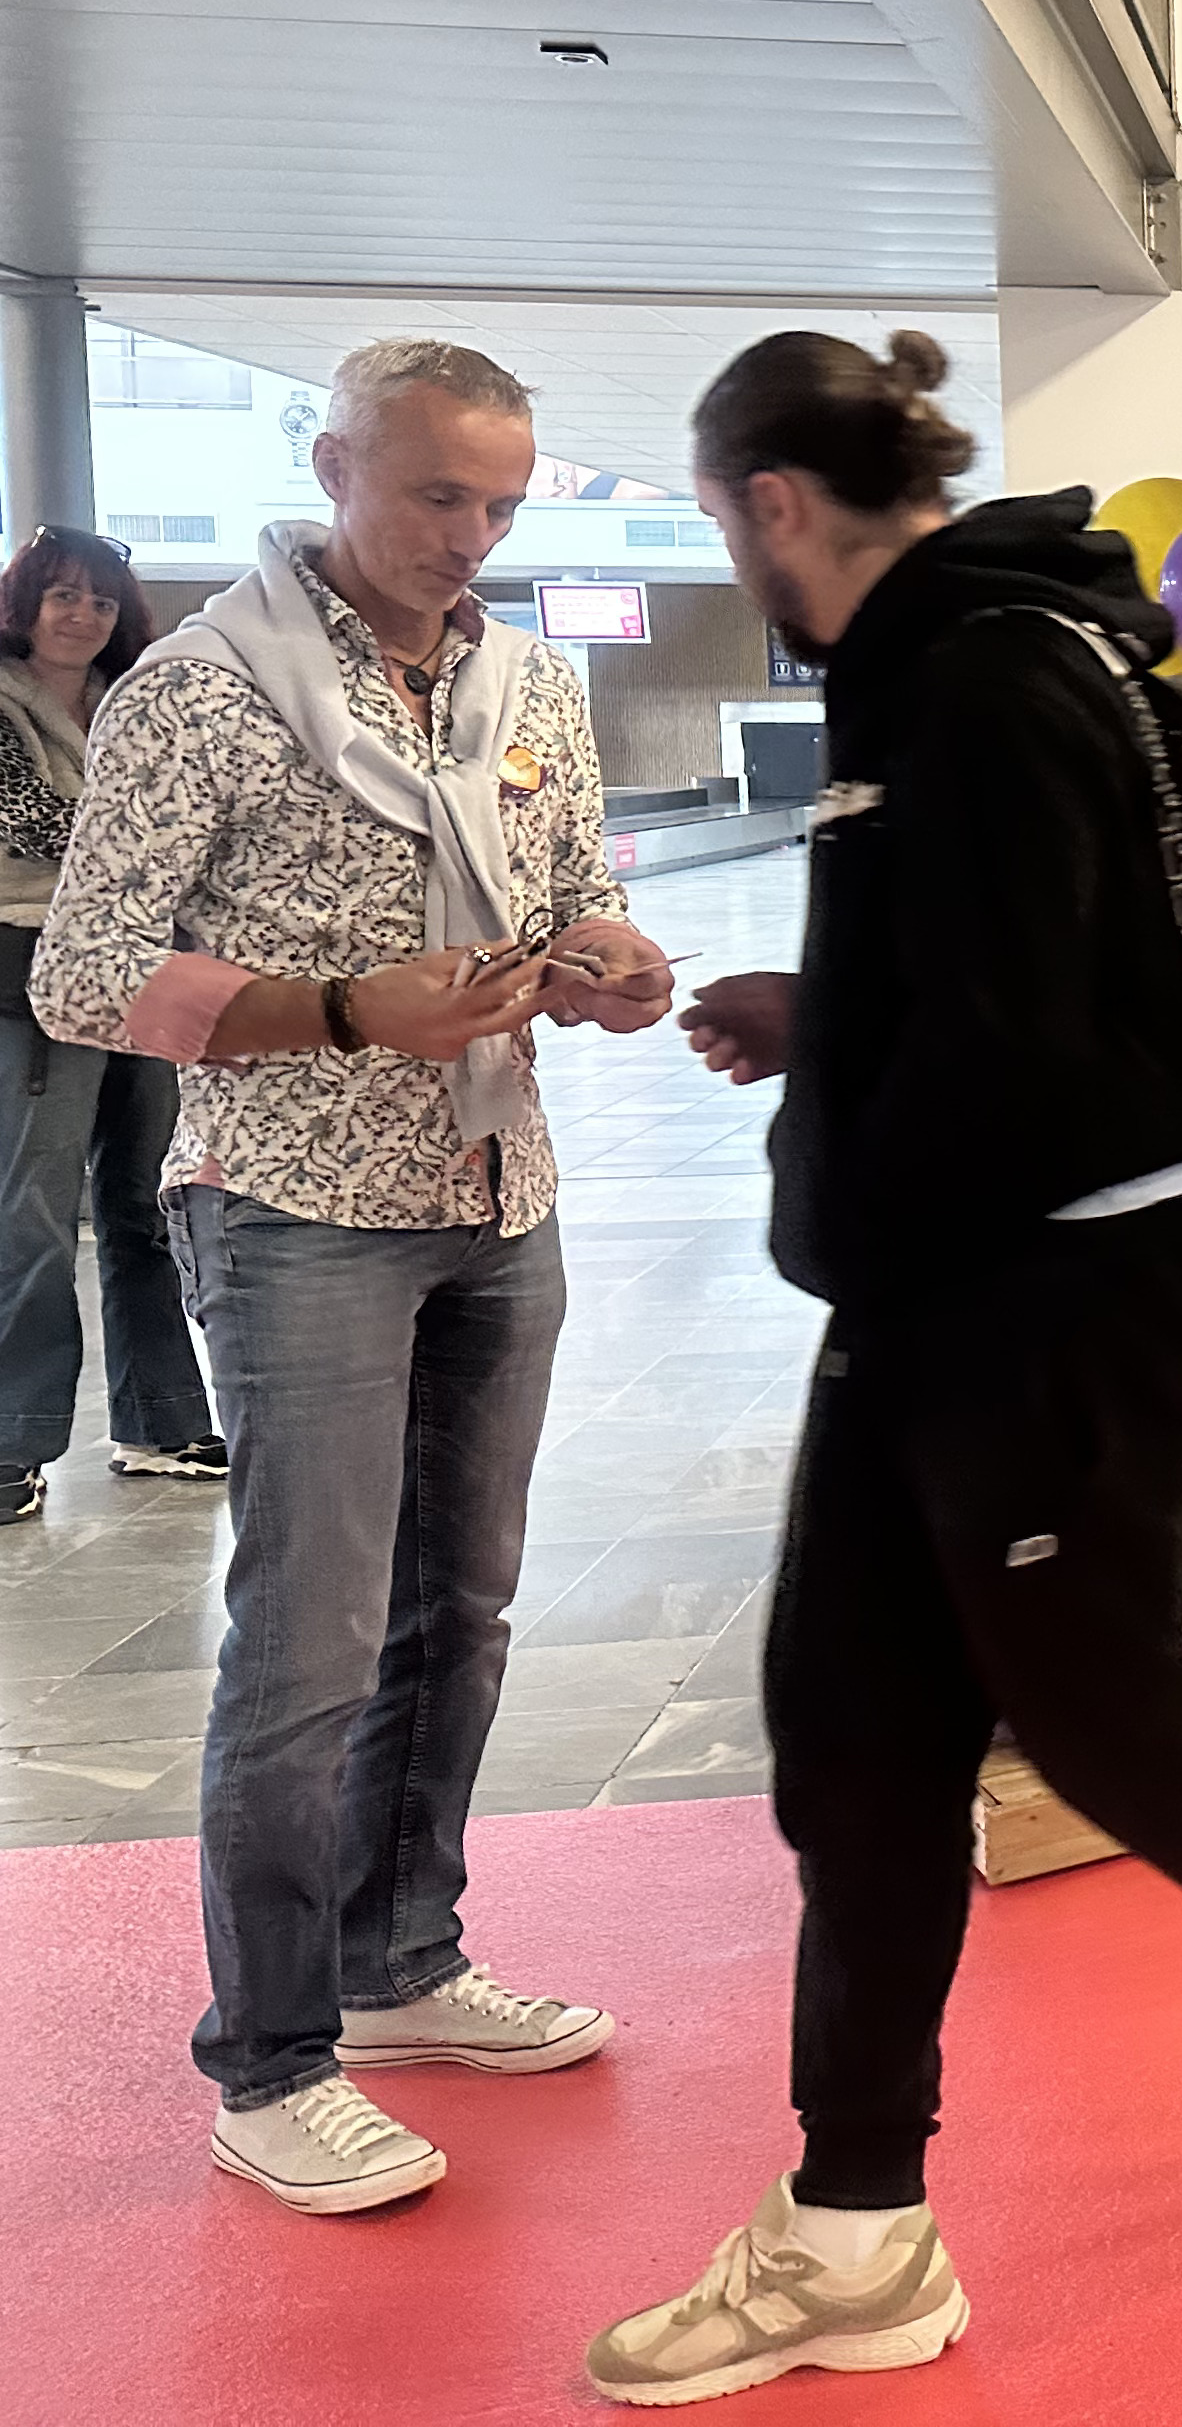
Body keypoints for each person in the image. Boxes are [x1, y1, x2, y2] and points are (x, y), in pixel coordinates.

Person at [588, 336, 1182, 2403]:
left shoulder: (984, 675)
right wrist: (827, 1014)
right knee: (855, 1738)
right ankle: (853, 2230)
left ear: (773, 505)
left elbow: (1043, 1056)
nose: (735, 551)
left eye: (724, 518)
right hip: (956, 1297)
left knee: (1098, 1705)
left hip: (1049, 1293)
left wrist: (859, 1157)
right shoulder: (992, 654)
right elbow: (1045, 971)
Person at [33, 337, 673, 2208]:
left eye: (500, 499)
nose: (468, 535)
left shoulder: (527, 672)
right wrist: (333, 1010)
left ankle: (403, 1962)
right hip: (294, 1200)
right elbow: (83, 975)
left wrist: (608, 955)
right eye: (433, 494)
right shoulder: (201, 691)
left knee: (457, 1609)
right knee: (306, 1643)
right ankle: (271, 2055)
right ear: (333, 466)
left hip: (497, 1187)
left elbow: (564, 890)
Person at [0, 527, 217, 1510]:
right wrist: (150, 831)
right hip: (30, 970)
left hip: (146, 971)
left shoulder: (132, 701)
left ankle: (164, 1421)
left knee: (146, 1201)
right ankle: (13, 1438)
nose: (80, 614)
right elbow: (33, 825)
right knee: (33, 1214)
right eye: (62, 594)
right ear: (26, 602)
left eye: (98, 599)